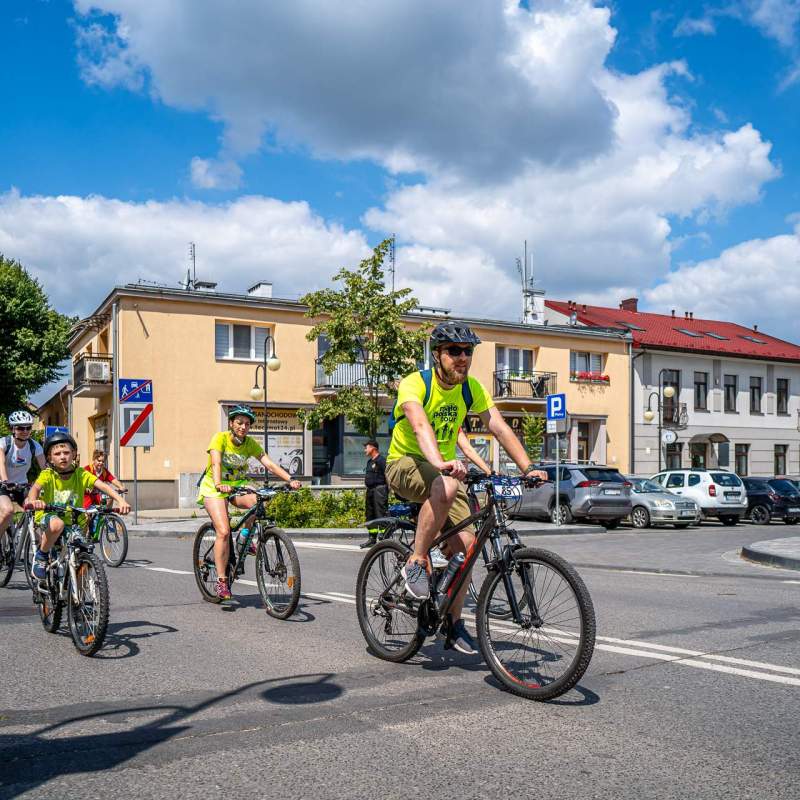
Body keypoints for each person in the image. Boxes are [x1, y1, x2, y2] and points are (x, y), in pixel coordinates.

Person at [386, 321, 545, 655]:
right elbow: (419, 424)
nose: (462, 358)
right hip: (404, 463)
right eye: (454, 351)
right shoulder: (416, 383)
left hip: (443, 472)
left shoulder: (472, 388)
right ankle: (416, 561)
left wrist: (527, 467)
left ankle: (454, 623)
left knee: (468, 548)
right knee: (444, 485)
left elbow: (498, 426)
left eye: (467, 351)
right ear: (437, 354)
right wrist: (441, 463)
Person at [196, 405, 302, 600]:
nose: (243, 427)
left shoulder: (250, 443)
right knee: (224, 531)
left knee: (262, 498)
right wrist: (219, 484)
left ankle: (245, 536)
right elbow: (216, 463)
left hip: (237, 484)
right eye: (239, 423)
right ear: (231, 423)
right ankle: (221, 582)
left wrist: (289, 479)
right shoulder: (220, 438)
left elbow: (268, 463)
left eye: (247, 424)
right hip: (214, 486)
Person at [25, 431, 130, 581]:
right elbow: (34, 489)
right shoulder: (48, 474)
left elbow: (103, 486)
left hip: (74, 521)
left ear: (73, 454)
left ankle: (80, 600)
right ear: (49, 458)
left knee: (84, 558)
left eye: (66, 452)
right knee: (57, 524)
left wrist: (121, 500)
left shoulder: (81, 474)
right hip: (50, 516)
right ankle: (41, 556)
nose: (63, 456)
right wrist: (34, 501)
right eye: (58, 453)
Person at [0, 410, 46, 541]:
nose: (25, 431)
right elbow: (1, 463)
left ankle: (41, 549)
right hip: (3, 485)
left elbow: (44, 468)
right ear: (12, 429)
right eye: (21, 428)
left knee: (35, 511)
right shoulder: (4, 443)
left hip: (22, 485)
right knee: (8, 511)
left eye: (28, 427)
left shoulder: (34, 446)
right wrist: (5, 481)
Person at [360, 439, 388, 549]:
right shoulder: (369, 462)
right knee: (370, 514)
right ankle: (372, 539)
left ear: (373, 448)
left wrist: (387, 491)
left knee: (380, 513)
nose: (365, 450)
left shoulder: (381, 461)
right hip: (370, 491)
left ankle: (384, 538)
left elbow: (387, 476)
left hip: (379, 490)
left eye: (366, 447)